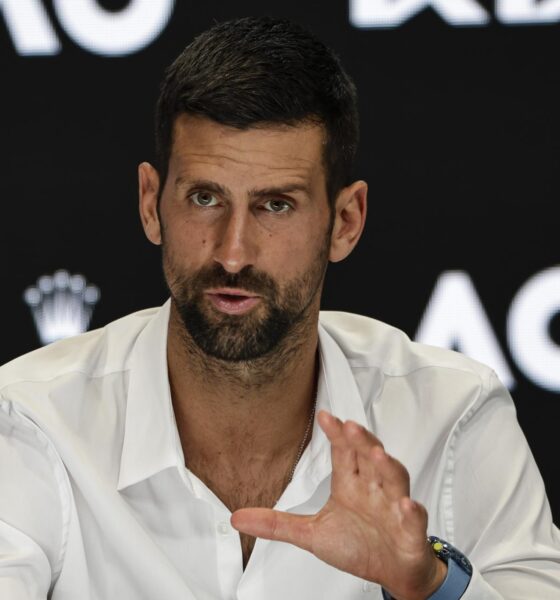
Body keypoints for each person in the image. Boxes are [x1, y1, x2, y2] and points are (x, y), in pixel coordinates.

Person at [0, 16, 559, 600]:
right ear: (150, 203)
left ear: (345, 222)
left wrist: (428, 584)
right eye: (205, 197)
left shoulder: (450, 414)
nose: (233, 252)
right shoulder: (30, 423)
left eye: (275, 205)